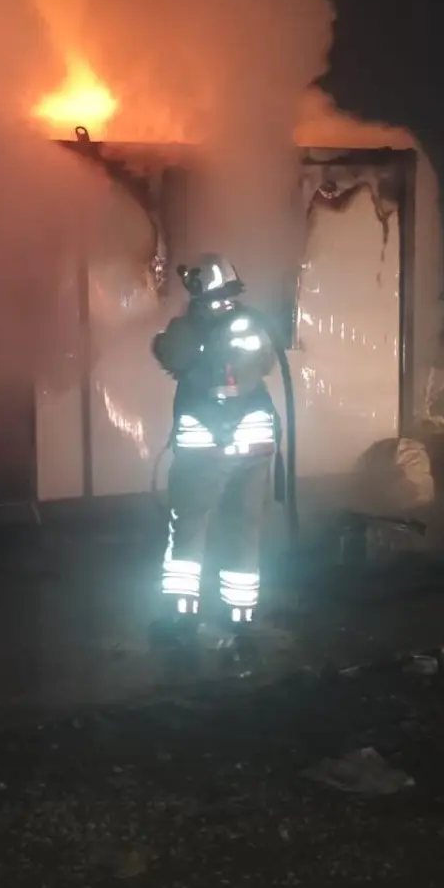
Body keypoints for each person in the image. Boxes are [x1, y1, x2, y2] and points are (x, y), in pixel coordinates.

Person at [152, 253, 278, 635]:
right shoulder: (253, 323)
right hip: (255, 445)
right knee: (244, 528)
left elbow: (166, 352)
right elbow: (267, 366)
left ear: (196, 291)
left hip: (204, 448)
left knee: (190, 526)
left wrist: (181, 322)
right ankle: (241, 614)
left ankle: (181, 613)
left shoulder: (191, 328)